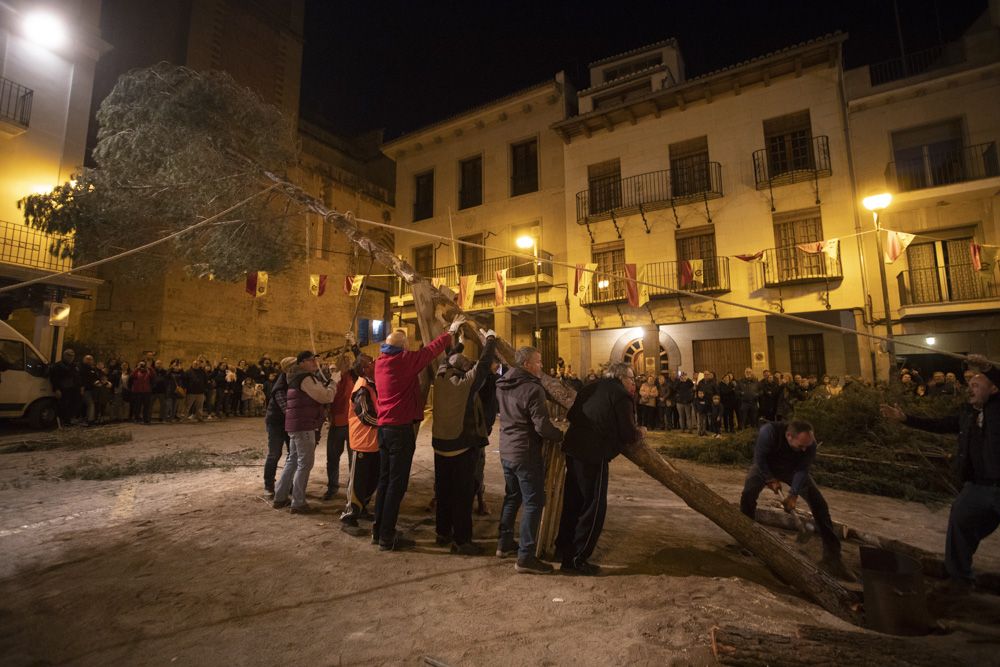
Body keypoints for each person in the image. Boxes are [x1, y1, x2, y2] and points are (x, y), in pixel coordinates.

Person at [880, 356, 1000, 592]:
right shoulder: (968, 414)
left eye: (976, 385)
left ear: (994, 387)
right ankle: (960, 579)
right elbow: (939, 424)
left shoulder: (999, 409)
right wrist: (906, 419)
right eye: (969, 385)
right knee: (960, 521)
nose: (970, 389)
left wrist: (988, 367)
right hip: (977, 487)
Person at [373, 314, 465, 551]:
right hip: (399, 430)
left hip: (383, 429)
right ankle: (387, 535)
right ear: (402, 347)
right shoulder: (402, 361)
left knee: (384, 481)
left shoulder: (380, 362)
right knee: (397, 483)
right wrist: (451, 331)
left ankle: (378, 529)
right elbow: (429, 352)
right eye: (407, 344)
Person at [556, 362, 643, 575]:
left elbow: (572, 415)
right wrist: (641, 432)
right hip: (594, 454)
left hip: (574, 448)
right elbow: (628, 434)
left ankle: (562, 548)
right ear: (621, 378)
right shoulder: (621, 395)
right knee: (593, 507)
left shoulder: (590, 387)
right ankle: (577, 558)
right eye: (632, 378)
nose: (633, 383)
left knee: (572, 502)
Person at [739, 419, 853, 579]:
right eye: (801, 446)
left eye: (807, 446)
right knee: (748, 496)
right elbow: (759, 459)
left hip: (792, 470)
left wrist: (793, 494)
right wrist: (770, 479)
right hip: (765, 466)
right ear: (789, 436)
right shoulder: (769, 432)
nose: (805, 449)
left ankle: (833, 558)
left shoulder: (809, 444)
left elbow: (802, 469)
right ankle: (747, 539)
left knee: (819, 504)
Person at [496, 345, 564, 574]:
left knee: (512, 496)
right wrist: (561, 435)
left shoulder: (503, 384)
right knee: (534, 502)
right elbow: (542, 427)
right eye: (538, 362)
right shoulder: (533, 389)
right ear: (526, 365)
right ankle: (525, 557)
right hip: (525, 452)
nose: (541, 366)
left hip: (506, 449)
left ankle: (504, 543)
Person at [431, 330, 498, 555]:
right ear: (462, 369)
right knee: (462, 495)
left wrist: (458, 344)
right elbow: (483, 365)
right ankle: (462, 541)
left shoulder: (440, 378)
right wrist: (490, 339)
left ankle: (443, 532)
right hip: (461, 447)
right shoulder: (464, 384)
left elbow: (445, 359)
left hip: (440, 447)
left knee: (444, 492)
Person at [273, 351, 336, 514]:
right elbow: (325, 397)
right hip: (304, 425)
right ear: (301, 363)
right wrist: (334, 382)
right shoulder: (305, 378)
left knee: (293, 460)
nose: (314, 363)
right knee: (304, 463)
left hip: (296, 424)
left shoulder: (295, 377)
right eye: (309, 360)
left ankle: (280, 497)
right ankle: (298, 502)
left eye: (315, 360)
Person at [341, 352, 379, 534]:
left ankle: (362, 508)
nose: (374, 363)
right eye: (371, 362)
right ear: (364, 369)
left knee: (373, 479)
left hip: (375, 442)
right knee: (358, 482)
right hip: (363, 441)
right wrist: (388, 423)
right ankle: (349, 517)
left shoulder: (373, 384)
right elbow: (366, 416)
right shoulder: (362, 387)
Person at [324, 334, 360, 501]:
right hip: (337, 424)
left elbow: (361, 361)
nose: (344, 364)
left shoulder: (355, 376)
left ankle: (353, 489)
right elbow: (326, 399)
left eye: (347, 362)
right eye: (341, 362)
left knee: (354, 460)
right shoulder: (332, 379)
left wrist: (354, 345)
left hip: (353, 424)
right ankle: (332, 488)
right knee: (332, 458)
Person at [262, 357, 295, 495]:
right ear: (288, 368)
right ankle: (269, 484)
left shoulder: (294, 381)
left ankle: (287, 482)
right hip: (276, 422)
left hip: (288, 423)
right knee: (274, 453)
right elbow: (287, 409)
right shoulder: (280, 386)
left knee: (292, 454)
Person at [50, 349, 82, 427]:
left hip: (73, 389)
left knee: (71, 405)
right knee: (62, 406)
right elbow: (54, 378)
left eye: (72, 356)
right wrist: (56, 389)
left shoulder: (74, 366)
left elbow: (77, 377)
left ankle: (68, 420)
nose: (71, 358)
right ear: (64, 356)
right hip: (63, 389)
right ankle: (61, 421)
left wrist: (80, 387)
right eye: (69, 356)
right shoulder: (58, 366)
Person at [78, 354, 101, 426]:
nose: (89, 361)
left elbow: (95, 377)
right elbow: (82, 379)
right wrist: (82, 387)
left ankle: (89, 419)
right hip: (85, 389)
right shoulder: (81, 368)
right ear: (84, 360)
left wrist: (97, 381)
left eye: (90, 359)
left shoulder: (92, 369)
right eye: (88, 359)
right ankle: (90, 420)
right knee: (90, 404)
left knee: (90, 404)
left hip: (92, 389)